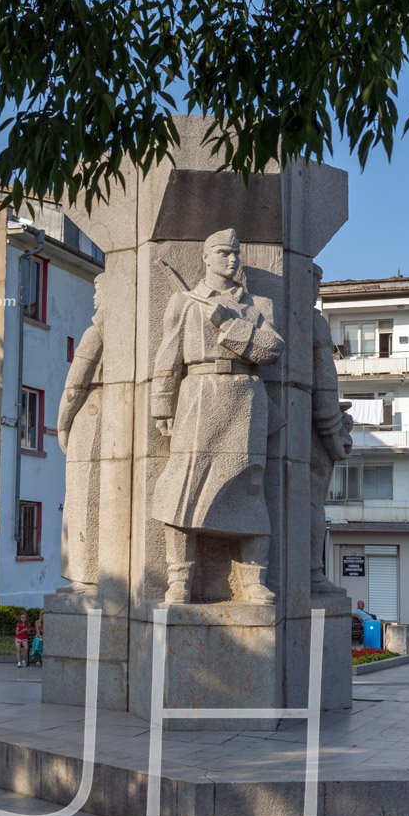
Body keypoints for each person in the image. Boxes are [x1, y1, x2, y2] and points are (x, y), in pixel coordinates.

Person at [151, 228, 285, 605]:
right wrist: (162, 403)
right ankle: (179, 579)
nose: (232, 259)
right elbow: (168, 356)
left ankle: (255, 578)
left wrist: (229, 323)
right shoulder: (185, 301)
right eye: (224, 252)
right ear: (206, 257)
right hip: (198, 394)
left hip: (246, 398)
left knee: (249, 488)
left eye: (236, 253)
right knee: (183, 489)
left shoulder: (259, 304)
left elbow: (272, 349)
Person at [309, 264, 354, 595]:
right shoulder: (314, 322)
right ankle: (312, 570)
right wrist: (334, 433)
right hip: (311, 429)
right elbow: (325, 387)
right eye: (315, 281)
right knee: (312, 503)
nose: (317, 289)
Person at [58, 274, 104, 591]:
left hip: (92, 416)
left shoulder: (96, 332)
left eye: (98, 292)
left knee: (83, 501)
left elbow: (74, 386)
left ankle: (84, 577)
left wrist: (62, 423)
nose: (94, 298)